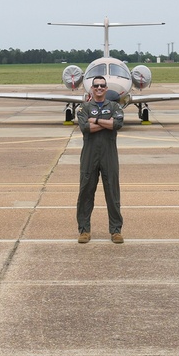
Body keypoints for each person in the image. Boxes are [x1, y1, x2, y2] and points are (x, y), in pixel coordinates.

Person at [76, 75, 125, 244]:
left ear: (106, 88)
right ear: (92, 88)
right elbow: (85, 127)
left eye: (102, 86)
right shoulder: (84, 108)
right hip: (89, 155)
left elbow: (117, 124)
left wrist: (95, 120)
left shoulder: (114, 106)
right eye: (96, 85)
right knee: (85, 192)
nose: (98, 88)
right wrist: (106, 122)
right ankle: (84, 230)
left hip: (109, 154)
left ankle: (116, 230)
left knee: (112, 193)